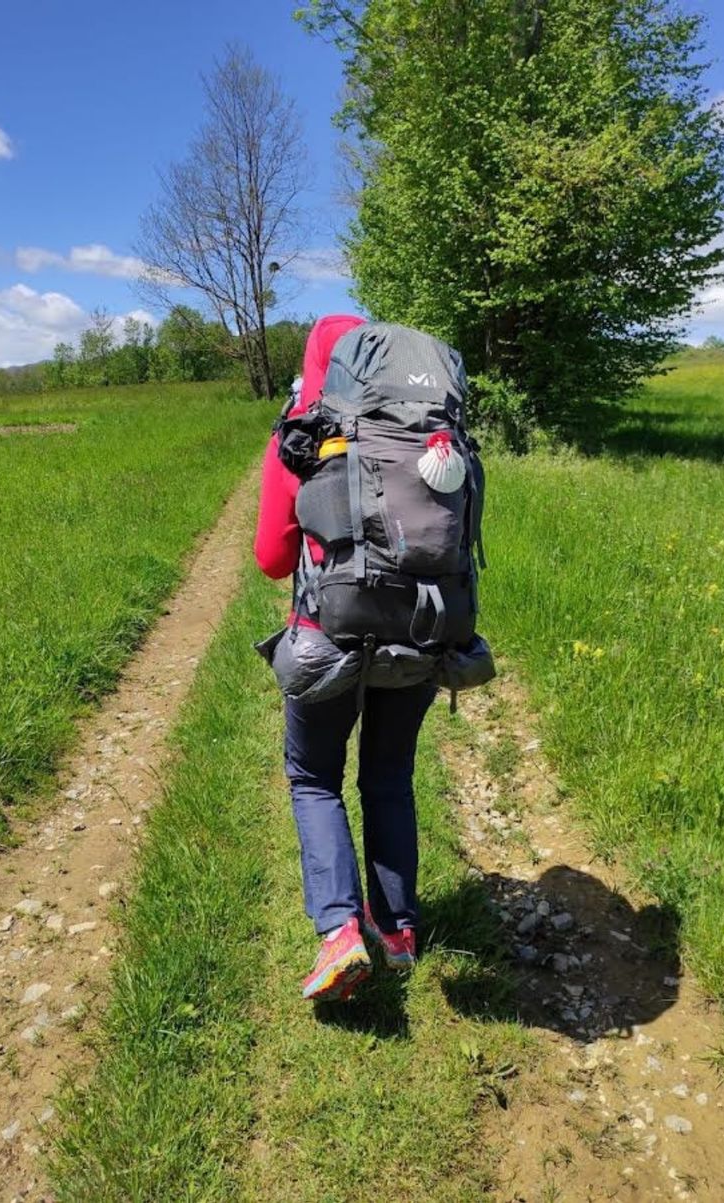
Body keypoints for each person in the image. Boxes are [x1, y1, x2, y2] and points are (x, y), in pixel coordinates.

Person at [254, 314, 439, 1003]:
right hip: (418, 632)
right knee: (389, 774)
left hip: (326, 636)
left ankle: (339, 932)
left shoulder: (302, 430)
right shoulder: (421, 431)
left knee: (313, 776)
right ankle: (397, 930)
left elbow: (272, 558)